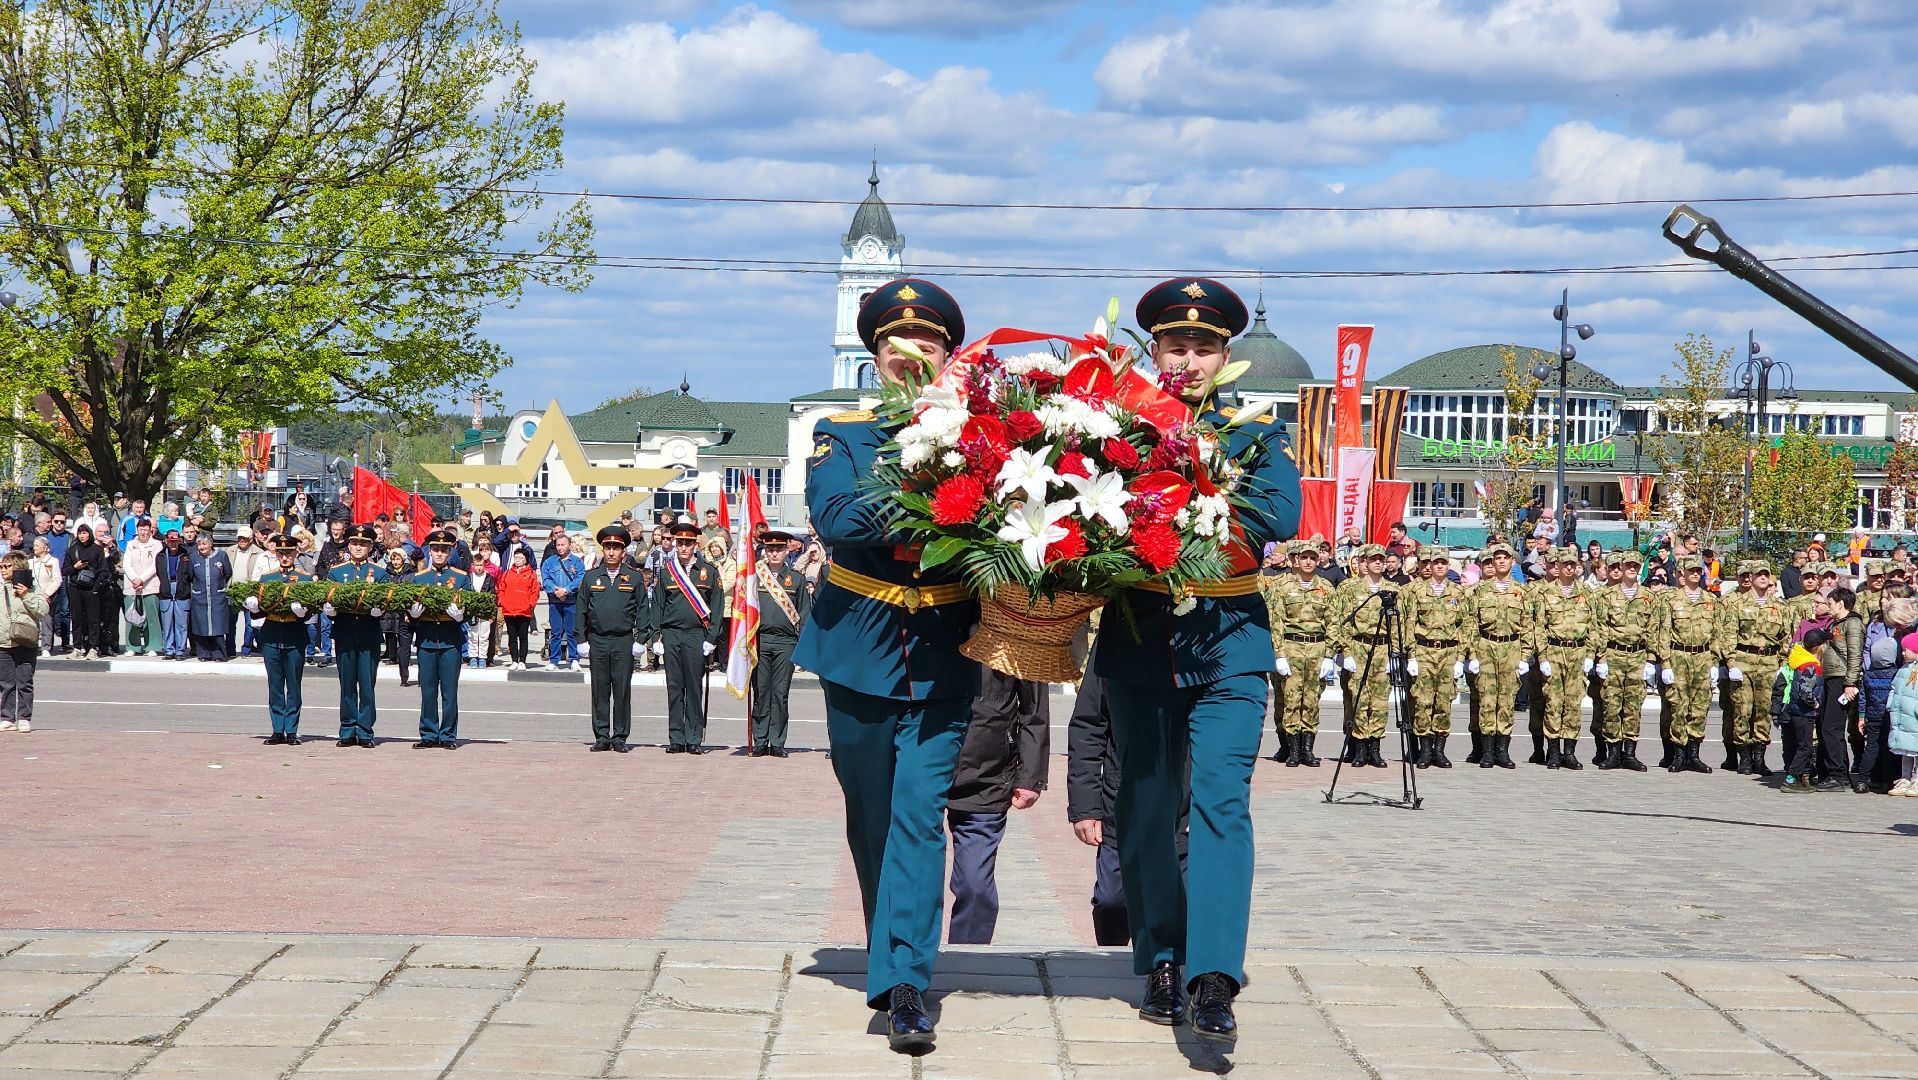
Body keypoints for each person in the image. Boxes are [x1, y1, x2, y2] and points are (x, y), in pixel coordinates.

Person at [1093, 277, 1299, 1045]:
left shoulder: (1253, 431)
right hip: (1141, 642)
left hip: (1228, 644)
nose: (1188, 359)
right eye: (1175, 346)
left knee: (1220, 802)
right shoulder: (1112, 423)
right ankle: (1162, 960)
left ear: (1224, 356)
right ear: (1154, 350)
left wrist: (1181, 490)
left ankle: (1215, 975)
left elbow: (1277, 514)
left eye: (1204, 347)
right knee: (1145, 808)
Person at [792, 277, 978, 1051]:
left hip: (946, 649)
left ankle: (906, 984)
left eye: (926, 347)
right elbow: (839, 521)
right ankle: (887, 946)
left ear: (947, 356)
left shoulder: (989, 435)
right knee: (871, 817)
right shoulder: (843, 433)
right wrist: (932, 476)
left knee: (917, 818)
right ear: (875, 360)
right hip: (858, 644)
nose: (911, 358)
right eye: (895, 349)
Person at [945, 668, 1048, 945]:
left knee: (975, 885)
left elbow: (1034, 708)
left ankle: (966, 962)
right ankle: (906, 966)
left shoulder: (1017, 625)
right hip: (919, 765)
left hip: (987, 777)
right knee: (912, 882)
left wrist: (1030, 776)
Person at [647, 521, 723, 754]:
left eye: (688, 543)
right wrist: (655, 636)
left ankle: (693, 738)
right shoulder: (667, 571)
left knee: (694, 687)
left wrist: (711, 638)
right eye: (680, 543)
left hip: (696, 635)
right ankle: (676, 738)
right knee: (675, 687)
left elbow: (717, 607)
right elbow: (658, 605)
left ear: (695, 544)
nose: (683, 547)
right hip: (671, 634)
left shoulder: (708, 571)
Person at [1262, 540, 1336, 767]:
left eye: (1313, 558)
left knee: (1312, 700)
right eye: (1304, 557)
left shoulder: (1326, 588)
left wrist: (1329, 655)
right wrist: (1279, 654)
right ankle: (1292, 749)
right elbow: (1276, 621)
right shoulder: (1281, 586)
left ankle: (1307, 750)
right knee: (1291, 699)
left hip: (1316, 648)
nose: (1308, 561)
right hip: (1291, 647)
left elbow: (1333, 622)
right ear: (1295, 559)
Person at [1720, 561, 1792, 776]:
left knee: (1764, 711)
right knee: (1742, 710)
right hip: (1744, 660)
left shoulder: (1780, 607)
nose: (1762, 578)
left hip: (1769, 663)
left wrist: (1782, 664)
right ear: (1750, 578)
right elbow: (1728, 635)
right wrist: (1731, 663)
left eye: (1766, 574)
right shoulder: (1737, 604)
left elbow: (1786, 638)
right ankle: (1744, 757)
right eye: (1758, 574)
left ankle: (1759, 757)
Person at [577, 524, 643, 753]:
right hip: (599, 640)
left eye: (616, 547)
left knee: (622, 690)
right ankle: (602, 735)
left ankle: (620, 736)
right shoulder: (591, 577)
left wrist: (641, 639)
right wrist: (581, 640)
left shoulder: (634, 578)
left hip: (623, 640)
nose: (612, 552)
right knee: (600, 689)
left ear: (624, 551)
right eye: (608, 547)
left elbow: (643, 610)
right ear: (603, 550)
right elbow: (581, 610)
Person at [1400, 543, 1467, 769]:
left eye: (1442, 563)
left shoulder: (1457, 593)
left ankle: (1439, 750)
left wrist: (1460, 657)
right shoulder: (1418, 591)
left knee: (1444, 702)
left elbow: (1465, 626)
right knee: (1422, 701)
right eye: (1434, 563)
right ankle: (1425, 751)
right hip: (1423, 650)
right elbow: (1409, 624)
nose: (1438, 566)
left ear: (1448, 565)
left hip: (1448, 652)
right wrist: (1410, 655)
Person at [246, 535, 317, 745]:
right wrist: (254, 608)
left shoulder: (304, 578)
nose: (285, 557)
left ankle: (292, 730)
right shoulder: (267, 579)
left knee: (294, 685)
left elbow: (311, 610)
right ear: (276, 554)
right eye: (281, 553)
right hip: (272, 634)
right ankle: (278, 729)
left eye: (289, 553)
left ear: (296, 553)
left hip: (294, 636)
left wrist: (302, 612)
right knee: (275, 685)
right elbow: (258, 614)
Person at [1332, 544, 1397, 768]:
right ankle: (1359, 748)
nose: (1378, 563)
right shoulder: (1350, 588)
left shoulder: (1394, 589)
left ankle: (1375, 749)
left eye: (1381, 559)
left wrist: (1394, 654)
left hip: (1382, 648)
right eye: (1373, 559)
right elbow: (1341, 620)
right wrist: (1345, 651)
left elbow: (1398, 625)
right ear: (1365, 563)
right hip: (1358, 646)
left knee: (1379, 701)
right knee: (1358, 699)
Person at [1654, 555, 1721, 774]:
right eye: (1690, 570)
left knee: (1700, 708)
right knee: (1678, 707)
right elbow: (1663, 632)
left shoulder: (1710, 601)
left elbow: (1716, 634)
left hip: (1702, 657)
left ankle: (1694, 754)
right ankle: (1679, 754)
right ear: (1681, 573)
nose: (1694, 573)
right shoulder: (1671, 600)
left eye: (1697, 570)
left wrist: (1714, 662)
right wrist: (1664, 663)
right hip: (1678, 656)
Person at [1529, 547, 1593, 771]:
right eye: (1564, 564)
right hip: (1554, 651)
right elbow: (1538, 627)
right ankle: (1553, 751)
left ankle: (1570, 753)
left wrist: (1591, 654)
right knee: (1553, 703)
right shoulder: (1545, 593)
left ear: (1577, 567)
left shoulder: (1587, 593)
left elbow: (1594, 627)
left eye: (1572, 564)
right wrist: (1543, 656)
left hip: (1578, 652)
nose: (1568, 567)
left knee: (1573, 704)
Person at [1590, 550, 1655, 771]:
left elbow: (1654, 629)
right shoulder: (1606, 596)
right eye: (1627, 566)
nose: (1630, 569)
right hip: (1613, 654)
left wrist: (1651, 660)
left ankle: (1630, 754)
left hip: (1638, 656)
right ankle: (1613, 752)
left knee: (1633, 706)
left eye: (1635, 566)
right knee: (1611, 705)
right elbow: (1599, 627)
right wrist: (1600, 658)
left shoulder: (1648, 597)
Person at [326, 524, 389, 747]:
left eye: (363, 544)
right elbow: (328, 597)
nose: (358, 547)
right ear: (348, 545)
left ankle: (365, 731)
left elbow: (386, 600)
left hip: (368, 634)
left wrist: (380, 610)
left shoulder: (380, 574)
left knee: (367, 686)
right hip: (344, 633)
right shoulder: (336, 572)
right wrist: (330, 611)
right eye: (354, 543)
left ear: (371, 547)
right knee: (347, 685)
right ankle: (347, 729)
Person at [409, 529, 470, 749]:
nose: (439, 554)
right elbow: (410, 610)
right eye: (435, 549)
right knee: (427, 690)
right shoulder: (419, 578)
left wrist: (460, 614)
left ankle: (448, 735)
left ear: (450, 552)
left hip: (450, 640)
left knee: (449, 692)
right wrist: (413, 613)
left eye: (444, 550)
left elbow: (470, 609)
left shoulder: (461, 578)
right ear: (429, 551)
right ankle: (428, 733)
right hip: (426, 640)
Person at [750, 530, 810, 757]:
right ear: (765, 551)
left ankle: (777, 741)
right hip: (761, 640)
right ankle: (760, 739)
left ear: (787, 550)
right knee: (761, 691)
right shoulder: (755, 577)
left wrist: (802, 648)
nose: (774, 553)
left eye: (778, 549)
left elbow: (804, 613)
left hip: (786, 642)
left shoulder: (797, 579)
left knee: (780, 693)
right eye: (770, 549)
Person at [1818, 586, 1865, 790]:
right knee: (1828, 727)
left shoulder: (1852, 624)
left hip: (1842, 680)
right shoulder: (1837, 623)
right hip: (1832, 678)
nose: (1828, 608)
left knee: (1832, 728)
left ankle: (1837, 774)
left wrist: (1850, 682)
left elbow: (1855, 654)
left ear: (1840, 603)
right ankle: (1840, 773)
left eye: (1830, 604)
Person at [0, 554, 49, 733]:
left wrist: (26, 595)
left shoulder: (32, 588)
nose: (3, 570)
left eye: (7, 566)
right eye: (2, 566)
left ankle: (24, 718)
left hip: (25, 640)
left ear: (18, 568)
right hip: (3, 642)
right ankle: (7, 717)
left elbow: (42, 611)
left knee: (24, 682)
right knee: (5, 683)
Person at [541, 532, 584, 671]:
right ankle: (554, 660)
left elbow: (580, 578)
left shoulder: (577, 562)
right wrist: (556, 591)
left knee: (572, 631)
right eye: (558, 545)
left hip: (572, 601)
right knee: (556, 631)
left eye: (562, 545)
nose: (560, 547)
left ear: (569, 545)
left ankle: (574, 659)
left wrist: (566, 590)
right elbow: (546, 579)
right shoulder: (549, 561)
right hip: (555, 601)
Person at [497, 548, 539, 670]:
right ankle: (514, 660)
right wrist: (502, 601)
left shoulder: (531, 574)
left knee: (523, 636)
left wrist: (530, 604)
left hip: (524, 611)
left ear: (525, 560)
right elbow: (501, 589)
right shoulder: (507, 573)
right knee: (512, 637)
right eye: (516, 558)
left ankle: (522, 660)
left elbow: (535, 591)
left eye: (520, 558)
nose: (518, 560)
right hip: (509, 610)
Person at [1887, 632, 1918, 795]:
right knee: (1905, 750)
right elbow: (1894, 688)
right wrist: (1891, 704)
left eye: (1906, 650)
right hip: (1902, 717)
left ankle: (1917, 780)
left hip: (1914, 718)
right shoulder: (1903, 670)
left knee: (1917, 750)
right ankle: (1904, 779)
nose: (1903, 653)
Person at [154, 529, 192, 660]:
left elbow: (190, 574)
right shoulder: (160, 556)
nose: (173, 544)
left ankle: (181, 650)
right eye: (171, 541)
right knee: (167, 623)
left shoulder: (186, 555)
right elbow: (159, 573)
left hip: (182, 590)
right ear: (166, 541)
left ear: (180, 541)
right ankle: (169, 650)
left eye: (175, 541)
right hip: (167, 589)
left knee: (181, 623)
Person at [381, 547, 416, 685]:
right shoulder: (386, 574)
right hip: (392, 613)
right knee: (397, 643)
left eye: (398, 558)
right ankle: (403, 677)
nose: (395, 562)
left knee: (408, 647)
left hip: (408, 615)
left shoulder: (411, 574)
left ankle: (416, 677)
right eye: (393, 559)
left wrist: (409, 611)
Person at [27, 537, 61, 656]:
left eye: (37, 545)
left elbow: (57, 580)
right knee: (33, 622)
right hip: (32, 596)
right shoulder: (30, 562)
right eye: (34, 545)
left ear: (45, 548)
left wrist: (47, 594)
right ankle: (33, 644)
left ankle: (46, 646)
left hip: (47, 596)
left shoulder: (53, 561)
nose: (34, 548)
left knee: (47, 621)